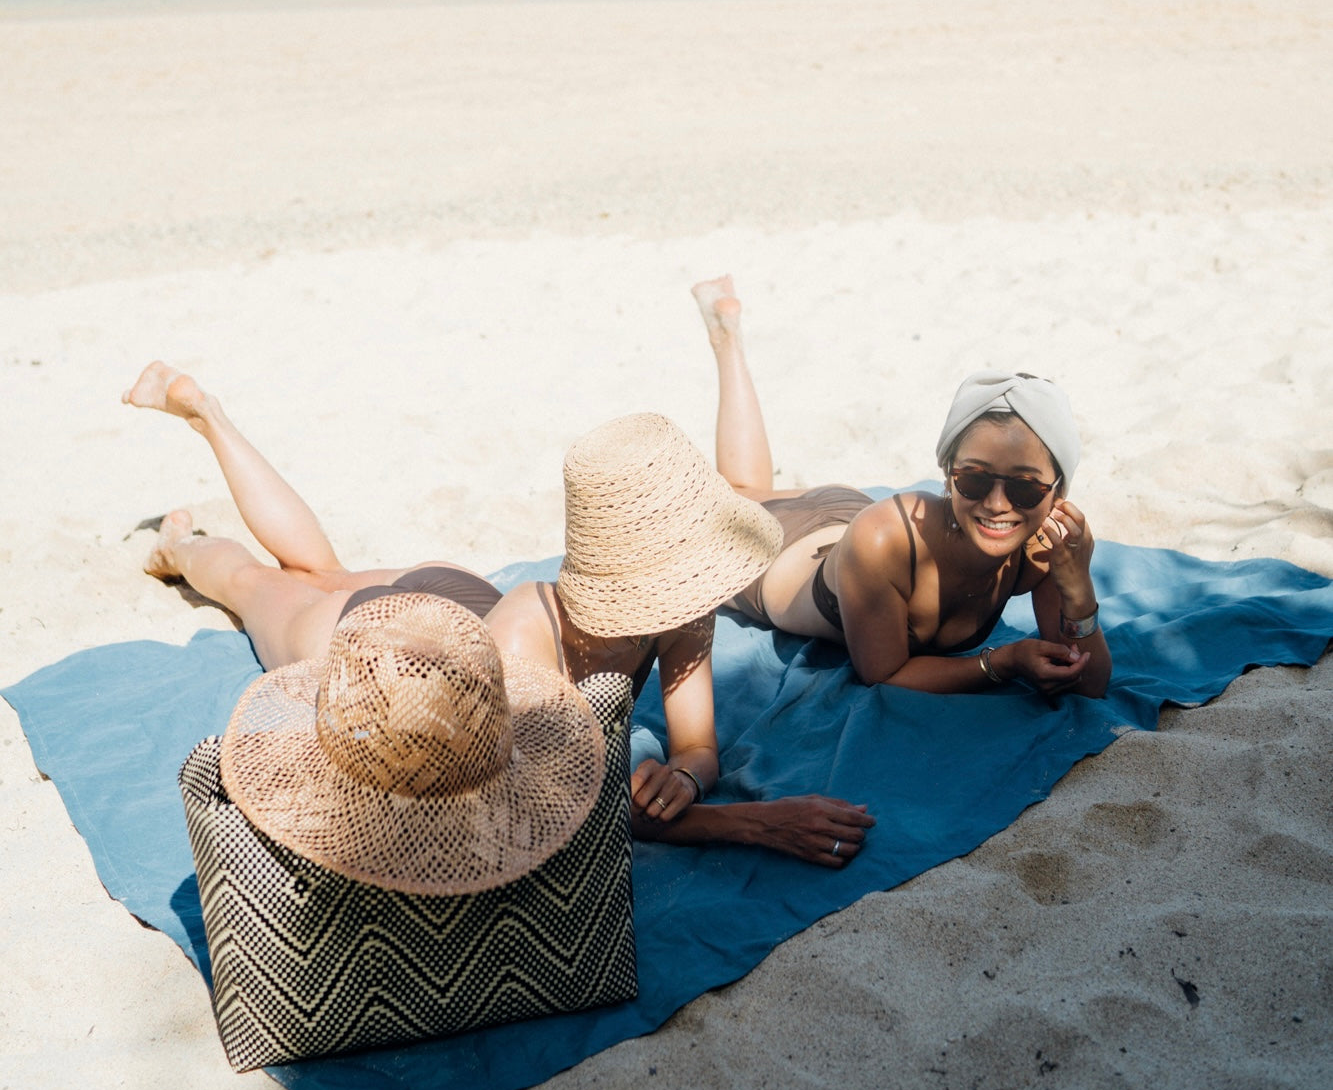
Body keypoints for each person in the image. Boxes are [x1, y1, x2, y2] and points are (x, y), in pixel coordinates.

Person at [125, 361, 873, 866]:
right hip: (381, 636)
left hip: (458, 594)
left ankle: (209, 432)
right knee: (258, 584)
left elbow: (697, 745)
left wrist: (687, 775)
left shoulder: (678, 603)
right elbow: (544, 808)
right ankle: (185, 529)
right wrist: (752, 825)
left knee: (321, 567)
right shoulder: (523, 645)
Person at [692, 277, 1112, 698]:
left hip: (847, 514)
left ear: (1057, 493)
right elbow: (883, 673)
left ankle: (727, 336)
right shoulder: (883, 540)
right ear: (948, 473)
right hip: (780, 554)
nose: (997, 503)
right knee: (732, 493)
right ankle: (725, 339)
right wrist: (1002, 662)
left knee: (744, 487)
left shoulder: (1048, 549)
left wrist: (1078, 589)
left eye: (1025, 488)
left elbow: (1089, 684)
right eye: (974, 480)